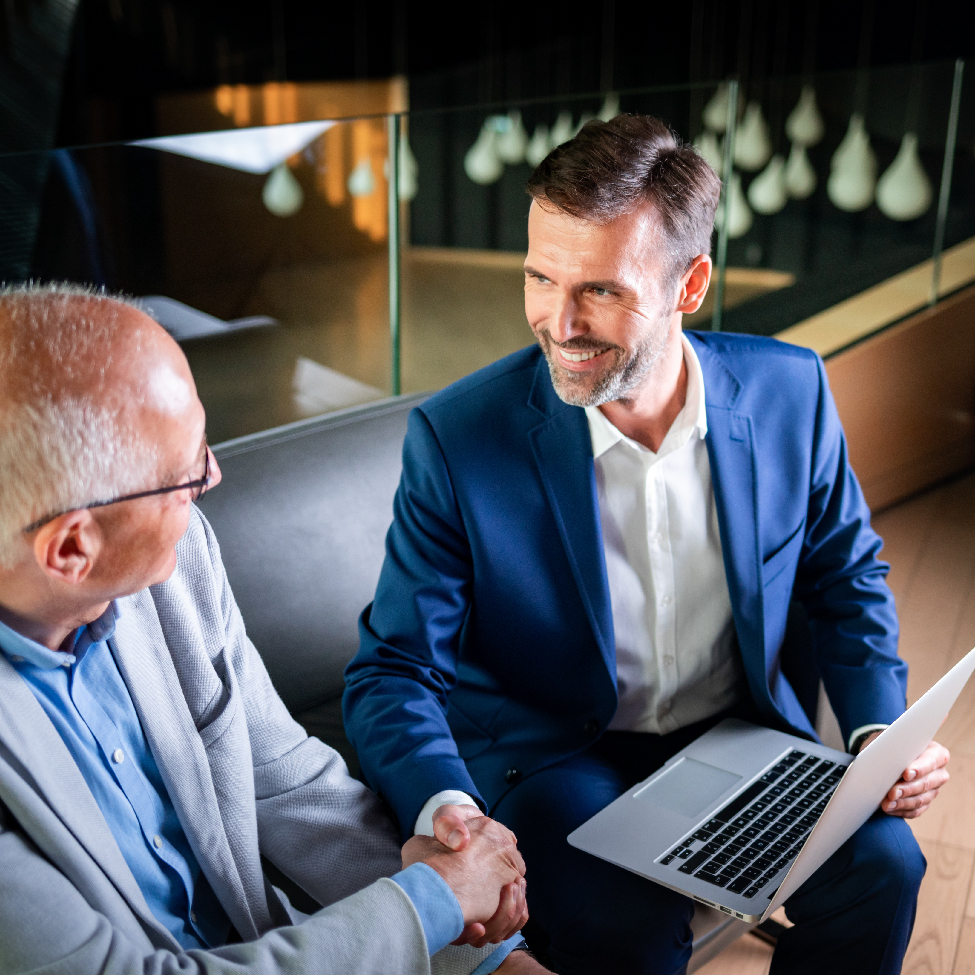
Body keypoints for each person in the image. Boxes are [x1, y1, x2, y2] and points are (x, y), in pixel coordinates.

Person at [343, 115, 951, 975]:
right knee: (625, 934)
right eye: (539, 277)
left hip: (736, 743)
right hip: (558, 760)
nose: (558, 322)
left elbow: (845, 577)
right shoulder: (457, 438)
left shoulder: (791, 391)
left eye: (601, 290)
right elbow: (393, 669)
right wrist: (449, 809)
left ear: (689, 284)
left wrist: (875, 733)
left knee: (884, 868)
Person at [0, 284, 547, 975]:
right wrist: (432, 901)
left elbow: (284, 778)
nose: (213, 475)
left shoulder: (174, 558)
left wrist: (485, 949)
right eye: (185, 472)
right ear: (72, 548)